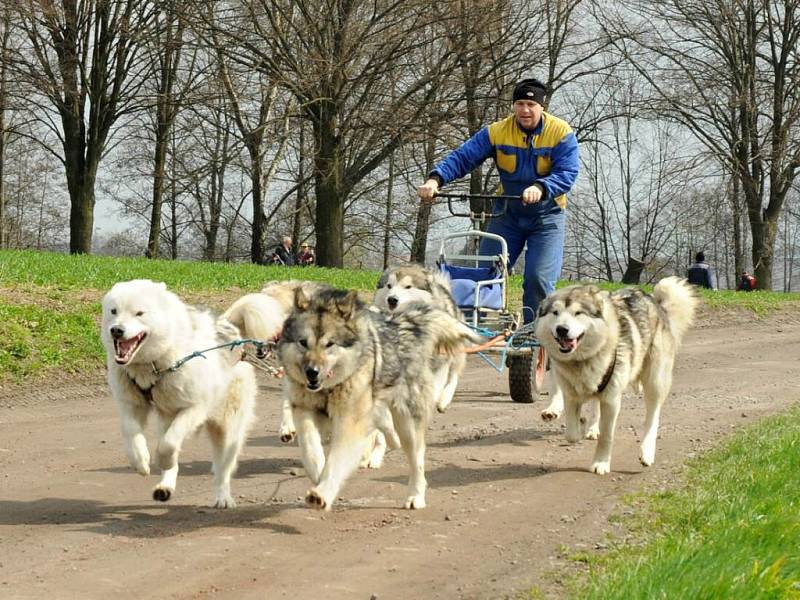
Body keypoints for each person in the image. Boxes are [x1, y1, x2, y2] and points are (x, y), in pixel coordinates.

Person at [417, 77, 579, 323]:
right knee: (484, 274)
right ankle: (473, 327)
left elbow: (567, 173)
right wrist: (435, 180)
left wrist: (541, 187)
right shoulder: (497, 132)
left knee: (538, 278)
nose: (525, 110)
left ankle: (534, 333)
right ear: (513, 106)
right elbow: (463, 157)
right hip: (507, 215)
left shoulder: (560, 133)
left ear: (542, 107)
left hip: (546, 217)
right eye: (520, 104)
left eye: (530, 105)